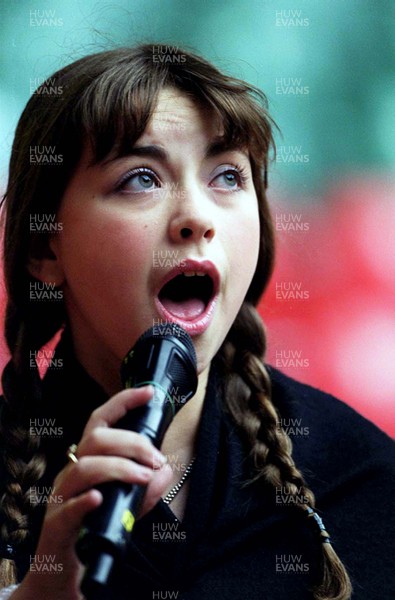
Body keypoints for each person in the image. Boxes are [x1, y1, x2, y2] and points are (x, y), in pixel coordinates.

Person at [0, 44, 393, 600]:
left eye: (228, 177)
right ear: (45, 246)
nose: (197, 218)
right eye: (141, 179)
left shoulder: (358, 474)